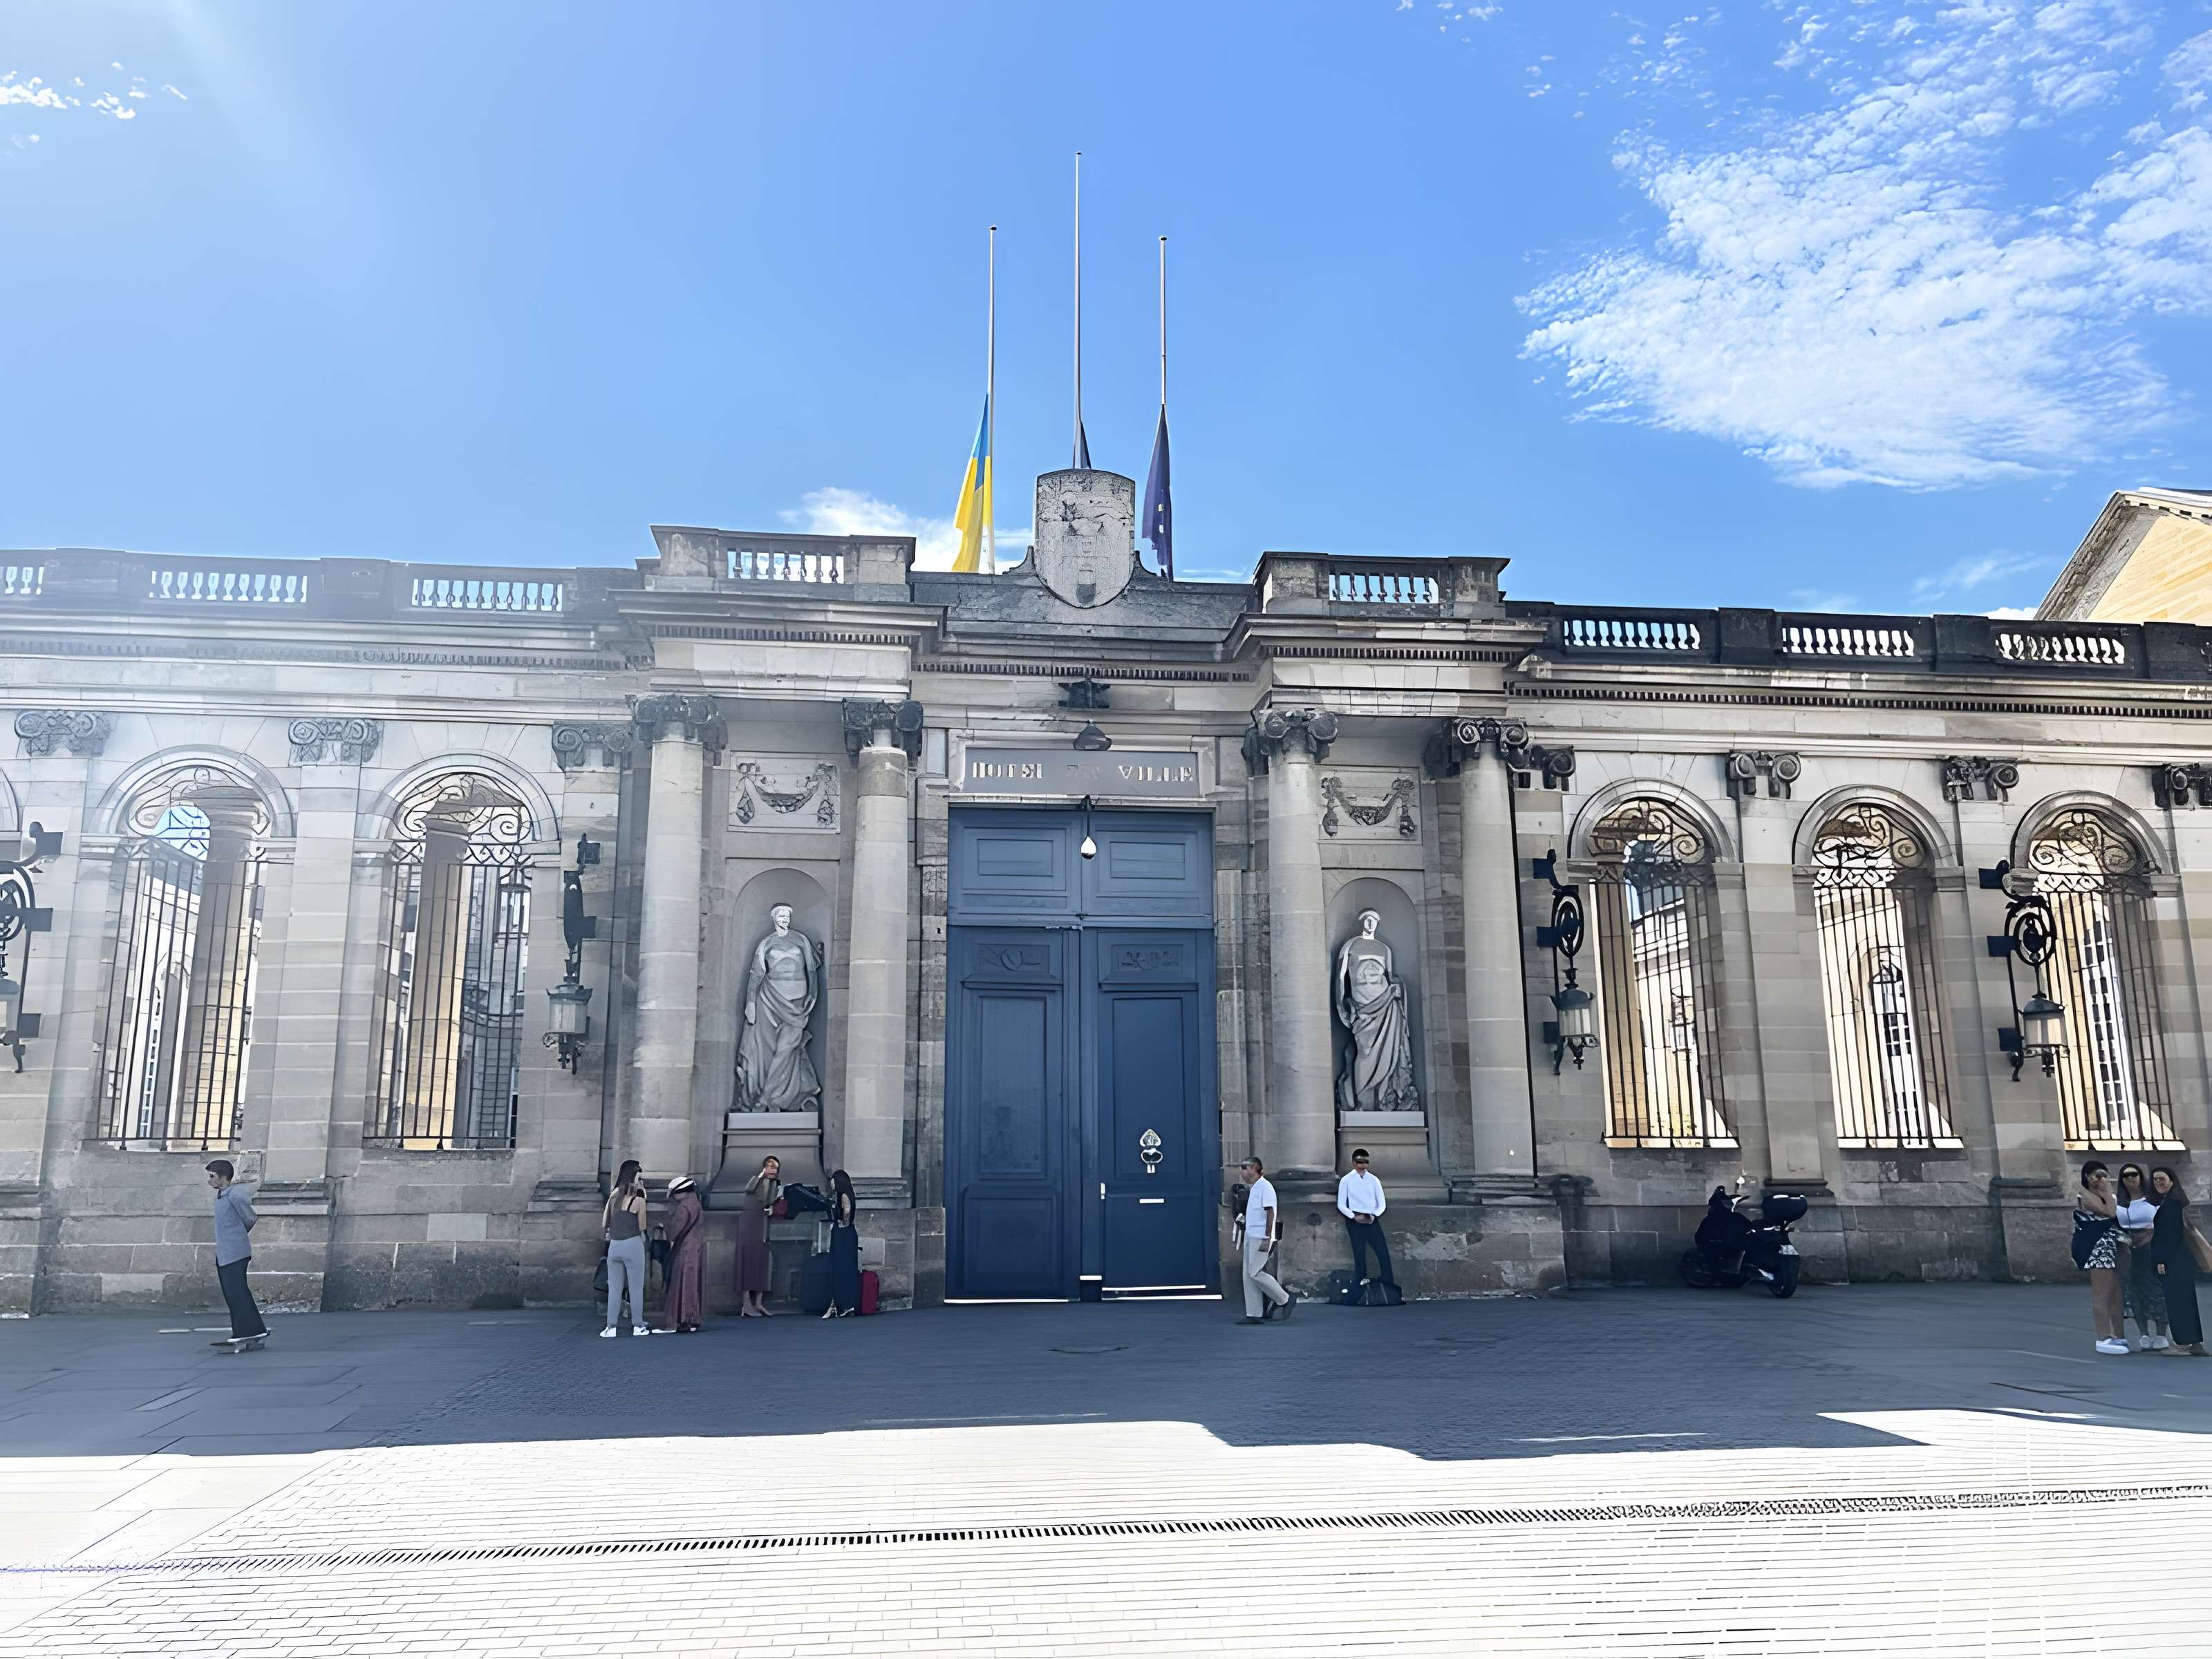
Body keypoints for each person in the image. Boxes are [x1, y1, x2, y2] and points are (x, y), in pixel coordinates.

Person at [205, 1160, 266, 1349]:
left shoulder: (235, 1194)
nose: (210, 1180)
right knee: (232, 1293)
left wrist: (237, 1236)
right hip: (224, 1252)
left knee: (237, 1291)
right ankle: (243, 1331)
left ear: (223, 1177)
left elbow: (250, 1218)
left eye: (212, 1176)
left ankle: (251, 1331)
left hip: (236, 1252)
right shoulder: (221, 1195)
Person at [2147, 1166, 2207, 1358]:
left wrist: (2161, 1261)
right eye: (2155, 1180)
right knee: (2184, 1301)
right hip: (2179, 1259)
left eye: (2162, 1179)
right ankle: (2193, 1343)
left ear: (2172, 1181)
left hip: (2173, 1260)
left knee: (2177, 1302)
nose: (2158, 1183)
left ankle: (2185, 1343)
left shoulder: (2172, 1204)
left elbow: (2169, 1237)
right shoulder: (2174, 1202)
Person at [2074, 1161, 2127, 1356]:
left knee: (2116, 1292)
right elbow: (2110, 1212)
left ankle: (2119, 1334)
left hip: (2112, 1246)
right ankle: (2103, 1336)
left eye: (2104, 1175)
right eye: (2096, 1176)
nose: (2101, 1180)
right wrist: (2107, 1191)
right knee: (2102, 1292)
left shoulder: (2109, 1195)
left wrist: (2108, 1193)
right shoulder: (2084, 1196)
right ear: (2087, 1177)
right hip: (2097, 1247)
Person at [2117, 1164, 2170, 1352]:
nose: (2130, 1179)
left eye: (2134, 1175)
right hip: (2129, 1248)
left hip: (2151, 1246)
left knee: (2155, 1289)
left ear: (2141, 1177)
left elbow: (2163, 1223)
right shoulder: (2120, 1202)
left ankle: (2162, 1334)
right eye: (2126, 1176)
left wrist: (2149, 1236)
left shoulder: (2153, 1200)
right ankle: (2144, 1334)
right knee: (2134, 1289)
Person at [1235, 1156, 1292, 1326]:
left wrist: (1268, 1237)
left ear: (1254, 1168)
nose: (1243, 1172)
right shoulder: (1255, 1188)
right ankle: (1253, 1313)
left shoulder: (1265, 1187)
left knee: (1255, 1272)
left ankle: (1284, 1298)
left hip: (1261, 1236)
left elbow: (1270, 1213)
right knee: (1248, 1275)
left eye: (1245, 1168)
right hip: (1251, 1234)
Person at [602, 1159, 653, 1339]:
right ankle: (638, 1325)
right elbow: (642, 1224)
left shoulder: (614, 1194)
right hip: (633, 1243)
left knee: (615, 1289)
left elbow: (605, 1222)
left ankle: (611, 1327)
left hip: (615, 1245)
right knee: (636, 1288)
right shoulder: (638, 1196)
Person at [1336, 1148, 1396, 1295]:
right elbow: (1341, 1204)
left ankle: (1388, 1283)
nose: (1362, 1165)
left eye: (1365, 1162)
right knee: (1359, 1253)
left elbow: (1381, 1203)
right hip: (1354, 1220)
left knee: (1382, 1252)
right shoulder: (1346, 1180)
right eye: (1359, 1162)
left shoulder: (1374, 1180)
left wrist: (1374, 1215)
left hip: (1371, 1219)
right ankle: (1360, 1286)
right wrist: (1353, 1216)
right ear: (1353, 1163)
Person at [659, 1175, 706, 1334]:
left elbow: (676, 1230)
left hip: (685, 1249)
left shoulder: (684, 1206)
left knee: (681, 1283)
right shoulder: (697, 1203)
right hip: (696, 1247)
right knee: (693, 1285)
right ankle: (692, 1319)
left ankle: (679, 1320)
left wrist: (667, 1233)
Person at [736, 1154, 781, 1318]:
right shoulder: (756, 1180)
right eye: (770, 1166)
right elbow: (749, 1189)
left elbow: (770, 1202)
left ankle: (758, 1303)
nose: (773, 1170)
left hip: (763, 1224)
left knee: (762, 1261)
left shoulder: (776, 1184)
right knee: (747, 1261)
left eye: (775, 1167)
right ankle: (747, 1304)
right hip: (749, 1224)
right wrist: (762, 1176)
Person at [825, 1168, 861, 1319]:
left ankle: (841, 1304)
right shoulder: (848, 1193)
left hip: (843, 1234)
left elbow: (847, 1211)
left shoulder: (843, 1195)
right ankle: (846, 1304)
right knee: (848, 1269)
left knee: (841, 1269)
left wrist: (843, 1223)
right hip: (849, 1234)